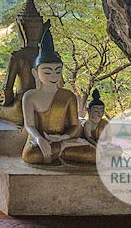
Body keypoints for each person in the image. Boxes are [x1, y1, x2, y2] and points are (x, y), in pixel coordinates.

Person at [21, 27, 95, 165]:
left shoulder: (68, 96)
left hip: (63, 139)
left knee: (93, 155)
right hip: (38, 141)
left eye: (57, 71)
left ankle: (62, 148)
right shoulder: (30, 96)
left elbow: (74, 126)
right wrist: (39, 139)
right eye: (47, 72)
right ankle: (63, 149)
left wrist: (63, 138)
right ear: (35, 73)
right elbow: (29, 125)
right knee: (31, 156)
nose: (53, 76)